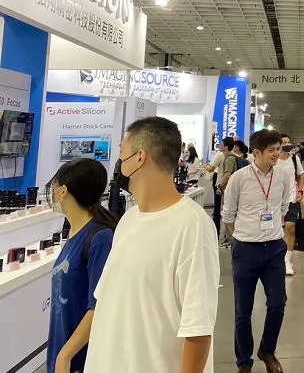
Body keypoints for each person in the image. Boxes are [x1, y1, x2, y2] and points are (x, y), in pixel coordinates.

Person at [84, 117, 219, 373]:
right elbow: (106, 299)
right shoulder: (128, 221)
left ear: (140, 157)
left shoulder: (192, 226)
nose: (119, 162)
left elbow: (198, 328)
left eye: (122, 153)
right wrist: (67, 353)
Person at [223, 129, 294, 373]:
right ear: (256, 153)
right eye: (272, 150)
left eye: (278, 149)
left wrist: (271, 231)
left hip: (274, 248)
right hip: (245, 249)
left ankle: (267, 350)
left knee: (277, 303)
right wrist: (244, 236)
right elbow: (228, 214)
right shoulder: (239, 178)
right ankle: (244, 361)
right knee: (243, 309)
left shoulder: (283, 175)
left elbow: (283, 206)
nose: (277, 154)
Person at [46, 159, 116, 373]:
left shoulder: (100, 239)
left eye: (54, 186)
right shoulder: (74, 232)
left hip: (81, 360)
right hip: (62, 352)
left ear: (63, 191)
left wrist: (66, 355)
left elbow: (99, 306)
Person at [276, 142, 304, 275]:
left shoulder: (294, 159)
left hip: (292, 198)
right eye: (284, 142)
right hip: (275, 200)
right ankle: (276, 258)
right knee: (274, 229)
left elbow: (300, 176)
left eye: (288, 142)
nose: (287, 144)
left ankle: (287, 260)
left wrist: (301, 191)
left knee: (290, 227)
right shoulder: (274, 159)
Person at [206, 137, 235, 235]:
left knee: (219, 209)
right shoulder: (228, 156)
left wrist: (219, 186)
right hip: (223, 186)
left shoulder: (226, 157)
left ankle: (220, 232)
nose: (220, 146)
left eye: (222, 144)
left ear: (226, 147)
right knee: (223, 209)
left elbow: (227, 174)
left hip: (222, 186)